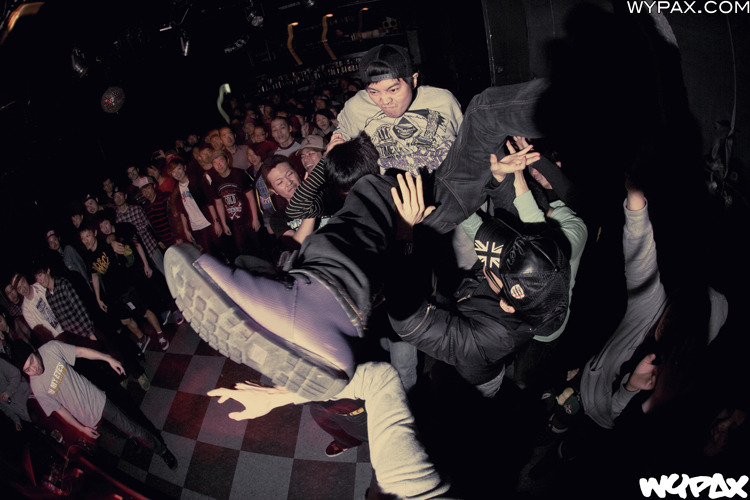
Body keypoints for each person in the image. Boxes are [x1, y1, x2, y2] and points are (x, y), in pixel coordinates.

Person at [14, 341, 178, 469]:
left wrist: (107, 358)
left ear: (33, 351)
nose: (34, 369)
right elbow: (59, 410)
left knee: (132, 428)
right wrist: (81, 428)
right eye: (28, 369)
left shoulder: (50, 349)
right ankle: (129, 438)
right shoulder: (37, 387)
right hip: (88, 419)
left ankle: (162, 450)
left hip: (98, 400)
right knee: (116, 433)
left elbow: (80, 352)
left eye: (32, 361)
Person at [334, 44, 463, 176]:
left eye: (393, 90)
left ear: (413, 81)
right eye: (373, 92)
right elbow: (337, 143)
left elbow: (468, 144)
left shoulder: (443, 100)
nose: (385, 100)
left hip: (450, 185)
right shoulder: (356, 107)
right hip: (390, 188)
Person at [0, 356, 31, 430]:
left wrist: (8, 392)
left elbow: (16, 374)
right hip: (28, 417)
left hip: (32, 400)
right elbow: (4, 407)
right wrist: (16, 420)